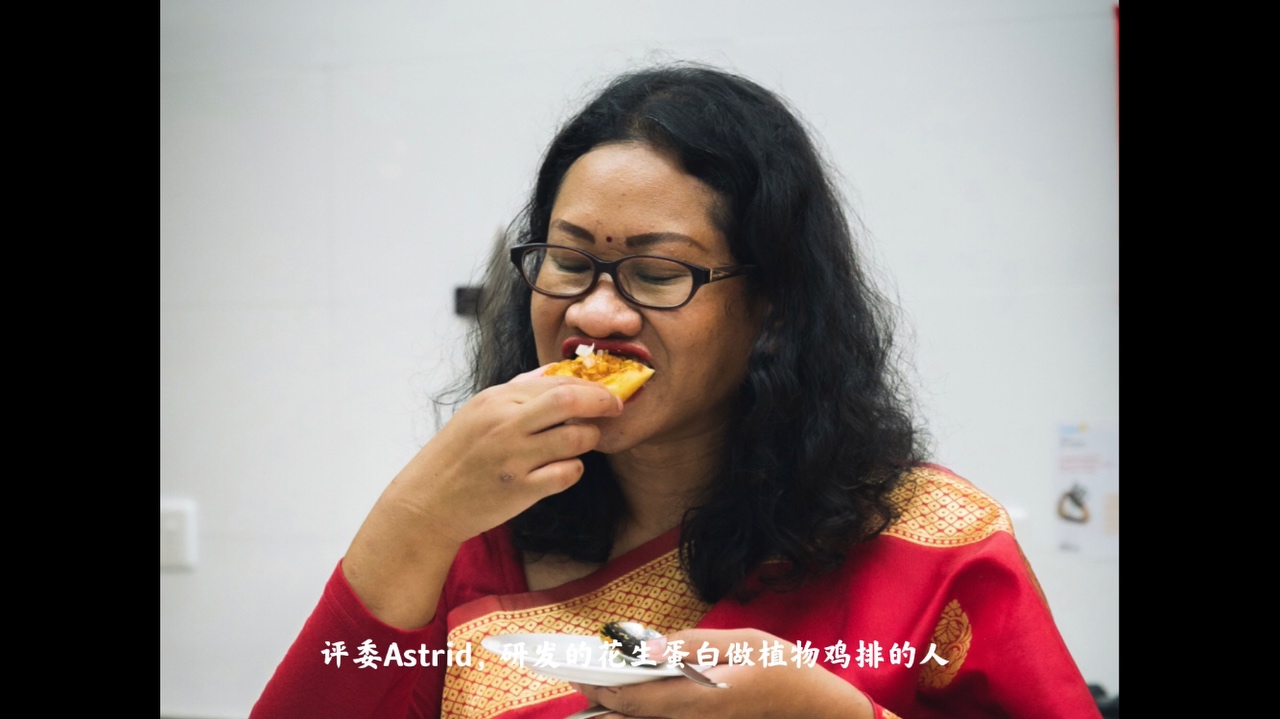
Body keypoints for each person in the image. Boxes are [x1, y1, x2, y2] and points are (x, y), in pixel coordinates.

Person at [251, 64, 1101, 719]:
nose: (595, 311)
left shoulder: (934, 545)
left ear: (770, 307)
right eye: (570, 261)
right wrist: (412, 517)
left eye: (657, 274)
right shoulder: (473, 536)